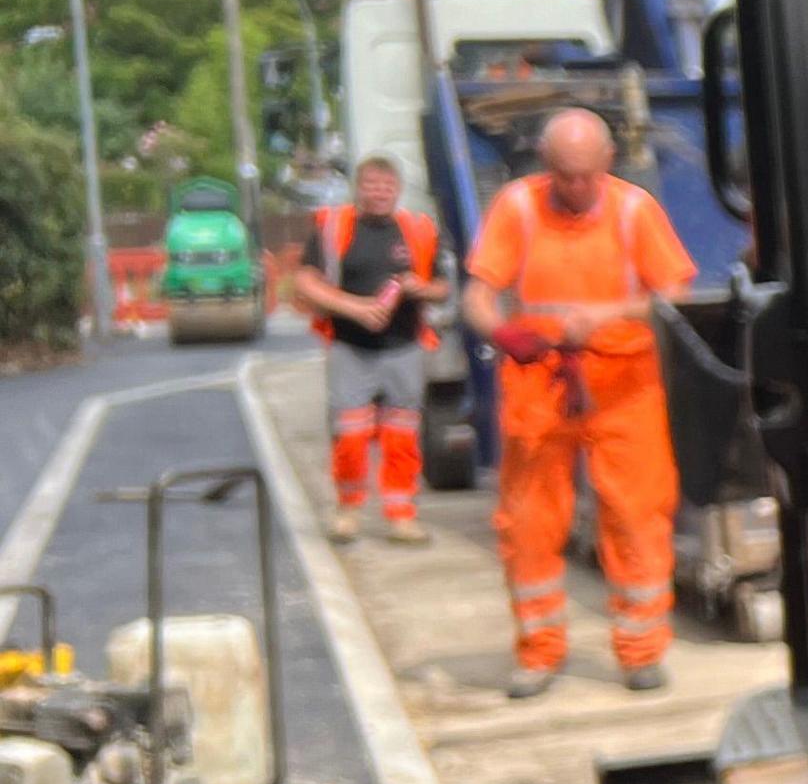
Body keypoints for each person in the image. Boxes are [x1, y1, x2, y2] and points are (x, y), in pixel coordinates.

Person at [461, 109, 697, 701]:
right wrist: (500, 332)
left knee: (637, 513)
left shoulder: (634, 210)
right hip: (540, 380)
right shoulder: (517, 207)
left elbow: (674, 295)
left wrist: (607, 316)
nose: (577, 188)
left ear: (607, 164)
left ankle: (641, 650)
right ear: (546, 167)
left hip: (624, 384)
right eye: (565, 176)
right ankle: (539, 650)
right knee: (529, 520)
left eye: (587, 175)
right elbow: (478, 296)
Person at [293, 156, 447, 544]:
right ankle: (348, 508)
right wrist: (356, 309)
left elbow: (443, 288)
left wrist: (420, 288)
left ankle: (401, 514)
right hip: (350, 348)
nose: (379, 192)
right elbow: (306, 282)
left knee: (402, 436)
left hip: (404, 348)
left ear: (396, 190)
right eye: (371, 184)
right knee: (349, 434)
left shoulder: (419, 230)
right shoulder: (334, 227)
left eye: (386, 185)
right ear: (359, 189)